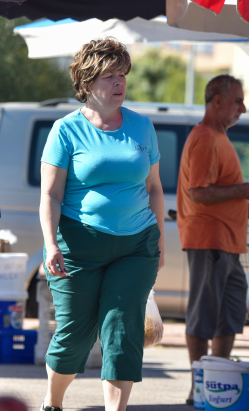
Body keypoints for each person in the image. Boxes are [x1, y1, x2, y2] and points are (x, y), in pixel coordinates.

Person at [39, 38, 164, 411]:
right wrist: (51, 244)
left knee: (123, 331)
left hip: (136, 244)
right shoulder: (66, 130)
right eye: (109, 75)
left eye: (122, 74)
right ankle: (53, 401)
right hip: (79, 244)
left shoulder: (143, 127)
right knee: (75, 334)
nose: (118, 82)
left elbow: (155, 188)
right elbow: (50, 196)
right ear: (87, 82)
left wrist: (159, 243)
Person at [176, 75, 249, 405]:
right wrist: (242, 191)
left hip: (228, 242)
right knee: (203, 316)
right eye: (237, 101)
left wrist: (243, 203)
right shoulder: (204, 138)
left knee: (229, 314)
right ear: (217, 101)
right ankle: (199, 385)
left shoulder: (219, 137)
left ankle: (217, 377)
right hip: (208, 240)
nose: (243, 107)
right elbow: (199, 192)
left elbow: (216, 189)